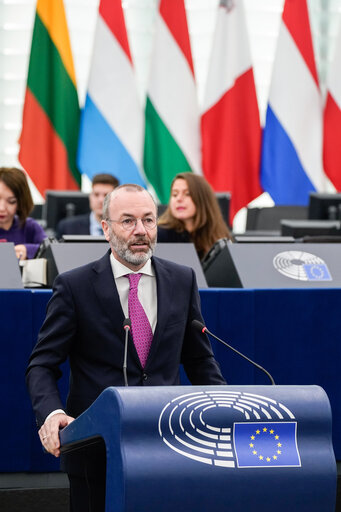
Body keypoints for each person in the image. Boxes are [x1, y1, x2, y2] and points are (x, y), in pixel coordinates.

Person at [26, 183, 226, 512]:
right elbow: (42, 365)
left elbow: (200, 361)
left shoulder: (182, 279)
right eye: (128, 221)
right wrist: (52, 413)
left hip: (167, 444)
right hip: (96, 448)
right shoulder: (75, 286)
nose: (141, 231)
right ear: (106, 228)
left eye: (148, 220)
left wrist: (224, 408)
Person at [157, 172, 232, 260]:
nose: (179, 199)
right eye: (175, 194)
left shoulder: (219, 236)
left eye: (187, 194)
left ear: (202, 199)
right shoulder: (159, 235)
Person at [0, 167, 46, 259]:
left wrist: (28, 250)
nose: (1, 208)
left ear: (21, 202)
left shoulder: (30, 227)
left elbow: (51, 250)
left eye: (11, 201)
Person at [55, 173, 119, 238]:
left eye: (106, 195)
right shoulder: (68, 227)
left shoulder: (125, 228)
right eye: (96, 194)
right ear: (90, 197)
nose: (100, 200)